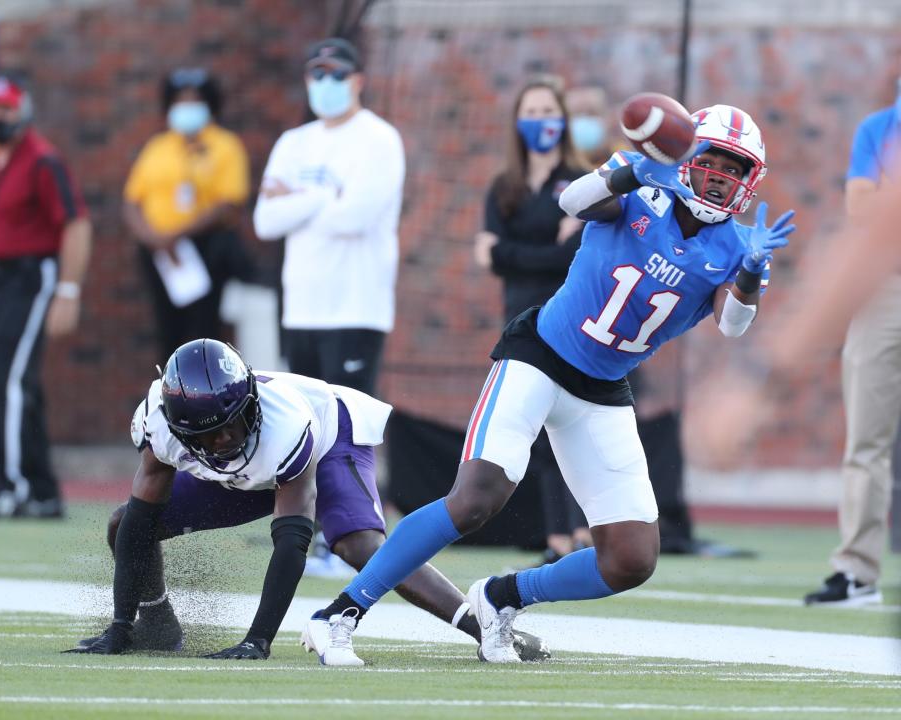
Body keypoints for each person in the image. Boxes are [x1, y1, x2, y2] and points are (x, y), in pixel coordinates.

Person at [302, 104, 796, 666]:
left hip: (605, 388)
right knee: (475, 498)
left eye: (734, 168)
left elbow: (732, 326)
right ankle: (338, 615)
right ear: (686, 155)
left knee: (631, 558)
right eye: (711, 160)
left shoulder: (737, 247)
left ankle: (501, 597)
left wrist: (753, 275)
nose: (719, 177)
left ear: (749, 179)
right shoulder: (640, 182)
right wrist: (632, 172)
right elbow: (572, 202)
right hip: (541, 355)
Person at [67, 339, 547, 664]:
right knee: (124, 522)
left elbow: (292, 541)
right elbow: (142, 519)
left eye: (231, 426)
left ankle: (482, 628)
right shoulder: (158, 425)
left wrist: (258, 640)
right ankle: (155, 625)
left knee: (359, 546)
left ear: (250, 402)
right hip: (254, 470)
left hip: (329, 436)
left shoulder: (284, 424)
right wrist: (118, 626)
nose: (224, 442)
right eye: (209, 435)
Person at [0, 75, 91, 519]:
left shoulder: (43, 160)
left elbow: (76, 223)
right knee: (16, 384)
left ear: (21, 109)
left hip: (30, 278)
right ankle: (42, 489)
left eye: (5, 108)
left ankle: (12, 487)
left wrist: (68, 289)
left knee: (7, 382)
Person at [473, 75, 592, 562]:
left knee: (576, 426)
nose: (542, 120)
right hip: (522, 322)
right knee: (538, 435)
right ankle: (557, 539)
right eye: (532, 111)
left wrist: (510, 252)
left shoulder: (581, 180)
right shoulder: (505, 186)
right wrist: (544, 249)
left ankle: (587, 532)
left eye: (549, 110)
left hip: (571, 314)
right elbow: (488, 256)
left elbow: (574, 255)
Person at [253, 37, 404, 397]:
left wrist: (295, 199)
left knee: (347, 426)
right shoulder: (293, 143)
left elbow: (353, 219)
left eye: (337, 73)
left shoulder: (379, 139)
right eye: (317, 74)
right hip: (300, 310)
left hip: (355, 309)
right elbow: (266, 221)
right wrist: (325, 196)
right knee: (306, 426)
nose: (327, 83)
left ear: (358, 81)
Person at [799, 92, 901, 606]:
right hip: (884, 289)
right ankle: (857, 572)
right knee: (866, 441)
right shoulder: (879, 127)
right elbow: (861, 206)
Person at [123, 67, 252, 364]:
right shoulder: (158, 147)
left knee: (204, 330)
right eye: (180, 101)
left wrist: (175, 235)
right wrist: (153, 238)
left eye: (195, 101)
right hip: (160, 252)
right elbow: (132, 200)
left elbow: (229, 202)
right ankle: (171, 394)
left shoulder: (224, 145)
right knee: (167, 328)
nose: (187, 108)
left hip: (205, 248)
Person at [565, 85, 614, 167]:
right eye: (577, 114)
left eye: (591, 113)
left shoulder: (621, 160)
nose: (584, 120)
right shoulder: (558, 167)